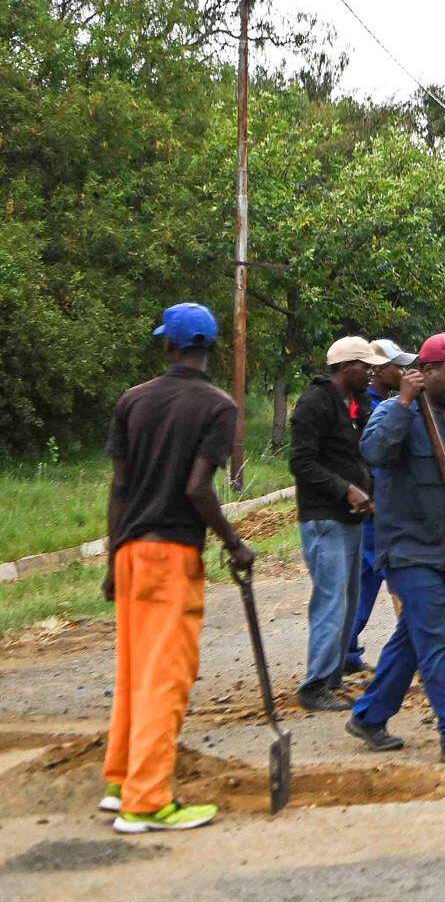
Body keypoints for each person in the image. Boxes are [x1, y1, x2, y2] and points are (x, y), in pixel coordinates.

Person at [101, 303, 253, 834]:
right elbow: (196, 488)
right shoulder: (217, 406)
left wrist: (111, 559)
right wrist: (234, 543)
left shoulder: (132, 400)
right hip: (172, 555)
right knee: (167, 677)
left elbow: (119, 487)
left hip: (130, 551)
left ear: (169, 346)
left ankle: (121, 779)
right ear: (210, 348)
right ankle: (146, 803)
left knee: (134, 670)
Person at [347, 333, 445, 768]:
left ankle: (370, 715)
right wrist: (402, 401)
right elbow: (374, 451)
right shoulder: (397, 413)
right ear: (426, 371)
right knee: (435, 638)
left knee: (413, 635)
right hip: (406, 547)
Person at [289, 336, 386, 710]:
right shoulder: (314, 404)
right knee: (330, 599)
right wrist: (345, 490)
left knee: (347, 599)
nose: (371, 372)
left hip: (352, 516)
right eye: (365, 366)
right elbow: (302, 463)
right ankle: (314, 686)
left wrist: (368, 491)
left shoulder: (357, 403)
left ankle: (332, 677)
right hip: (323, 517)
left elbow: (358, 455)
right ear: (347, 369)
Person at [346, 338, 416, 675]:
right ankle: (345, 652)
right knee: (374, 576)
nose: (402, 372)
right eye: (396, 366)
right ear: (378, 369)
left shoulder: (382, 404)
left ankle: (348, 650)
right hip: (374, 508)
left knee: (378, 578)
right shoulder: (369, 407)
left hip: (381, 505)